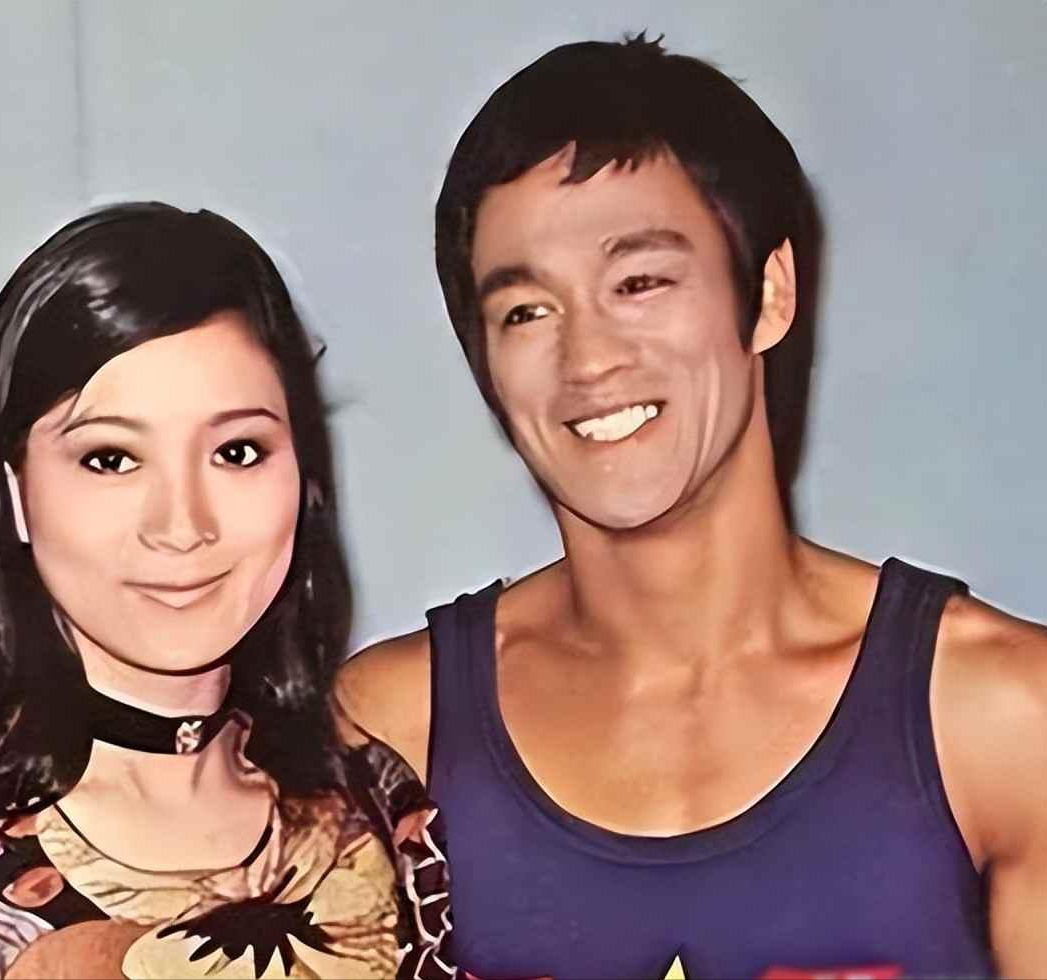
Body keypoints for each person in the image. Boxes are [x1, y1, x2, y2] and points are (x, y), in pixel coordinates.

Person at [337, 34, 1047, 980]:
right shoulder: (391, 730)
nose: (589, 358)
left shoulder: (1003, 716)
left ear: (769, 294)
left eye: (639, 283)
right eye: (526, 311)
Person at [0, 203, 452, 979]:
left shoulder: (373, 808)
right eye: (112, 459)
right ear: (13, 493)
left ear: (304, 477)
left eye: (237, 451)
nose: (181, 526)